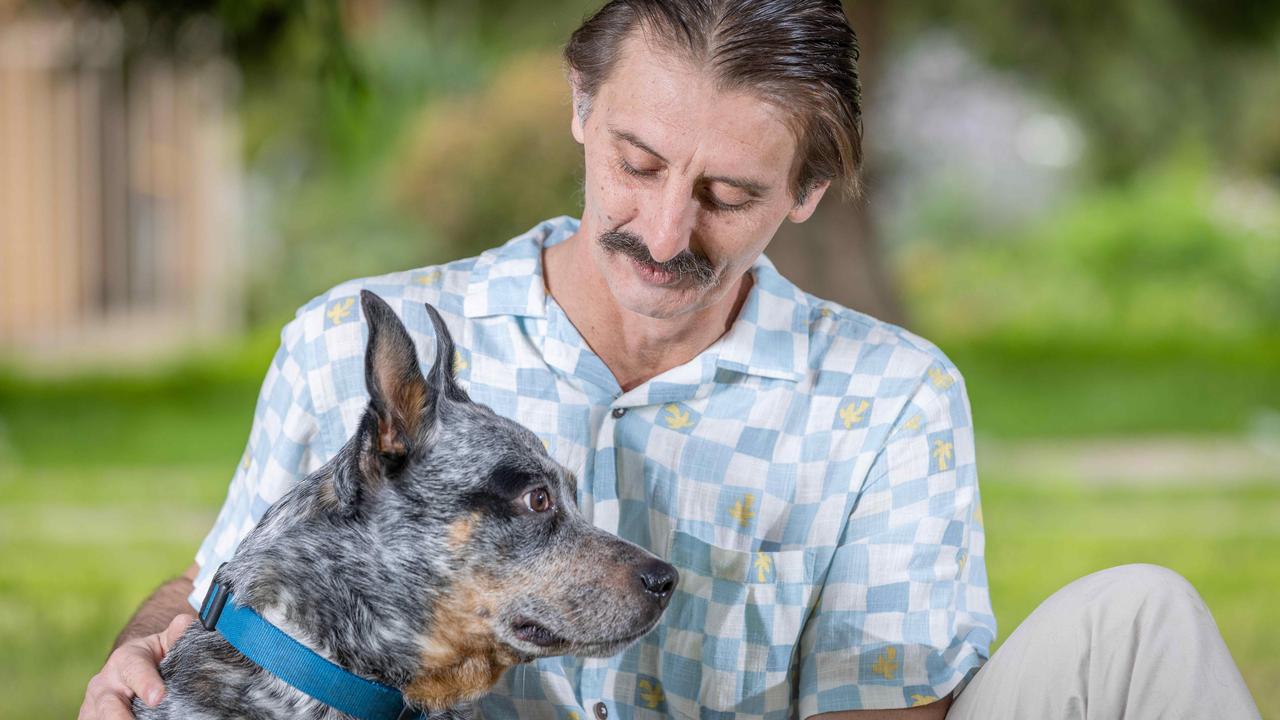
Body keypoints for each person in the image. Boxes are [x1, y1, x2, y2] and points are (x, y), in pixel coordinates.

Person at [80, 1, 1262, 719]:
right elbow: (226, 588)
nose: (661, 230)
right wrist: (143, 652)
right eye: (639, 162)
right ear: (582, 106)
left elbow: (889, 714)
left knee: (1141, 622)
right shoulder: (356, 337)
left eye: (727, 193)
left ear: (803, 194)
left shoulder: (888, 399)